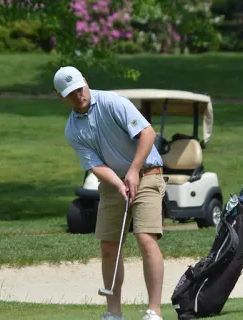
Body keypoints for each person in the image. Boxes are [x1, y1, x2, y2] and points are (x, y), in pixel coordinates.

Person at [54, 66, 166, 320]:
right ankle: (113, 312)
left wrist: (134, 170)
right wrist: (118, 183)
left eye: (79, 89)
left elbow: (148, 133)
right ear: (61, 97)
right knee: (108, 246)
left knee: (146, 238)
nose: (78, 96)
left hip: (147, 173)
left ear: (85, 81)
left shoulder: (113, 102)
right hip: (114, 183)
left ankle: (154, 311)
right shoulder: (72, 130)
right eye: (70, 94)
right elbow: (95, 165)